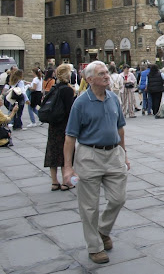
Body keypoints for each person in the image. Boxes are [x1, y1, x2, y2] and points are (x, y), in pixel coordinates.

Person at [62, 61, 130, 264]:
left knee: (119, 198)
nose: (107, 76)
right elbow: (70, 137)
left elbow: (120, 129)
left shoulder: (113, 98)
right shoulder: (80, 103)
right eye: (102, 74)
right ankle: (94, 247)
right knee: (89, 207)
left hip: (113, 154)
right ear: (89, 79)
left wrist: (124, 154)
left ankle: (103, 230)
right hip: (89, 155)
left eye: (107, 73)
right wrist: (67, 167)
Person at [44, 64, 76, 191]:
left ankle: (54, 182)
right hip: (64, 125)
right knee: (65, 152)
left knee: (53, 151)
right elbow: (70, 109)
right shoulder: (67, 90)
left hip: (53, 125)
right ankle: (65, 181)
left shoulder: (54, 88)